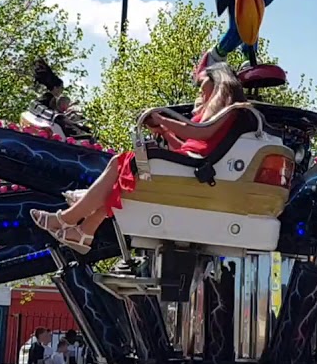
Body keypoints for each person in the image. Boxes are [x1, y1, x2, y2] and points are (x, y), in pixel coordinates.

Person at [31, 63, 249, 253]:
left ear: (219, 83)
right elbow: (187, 147)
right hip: (191, 165)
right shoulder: (214, 116)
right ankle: (85, 229)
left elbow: (197, 134)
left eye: (203, 85)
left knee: (123, 163)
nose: (200, 91)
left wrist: (162, 120)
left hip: (196, 170)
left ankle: (68, 219)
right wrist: (164, 132)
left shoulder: (229, 111)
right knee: (126, 168)